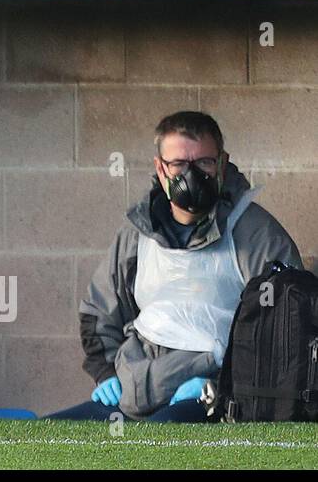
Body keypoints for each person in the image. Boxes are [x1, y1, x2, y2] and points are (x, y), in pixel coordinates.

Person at [46, 111, 302, 422]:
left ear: (222, 164)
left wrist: (224, 387)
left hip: (214, 398)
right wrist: (105, 373)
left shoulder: (256, 234)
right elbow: (99, 312)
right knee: (48, 434)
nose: (191, 176)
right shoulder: (137, 235)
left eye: (204, 163)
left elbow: (287, 331)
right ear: (160, 168)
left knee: (161, 439)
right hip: (136, 388)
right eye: (179, 164)